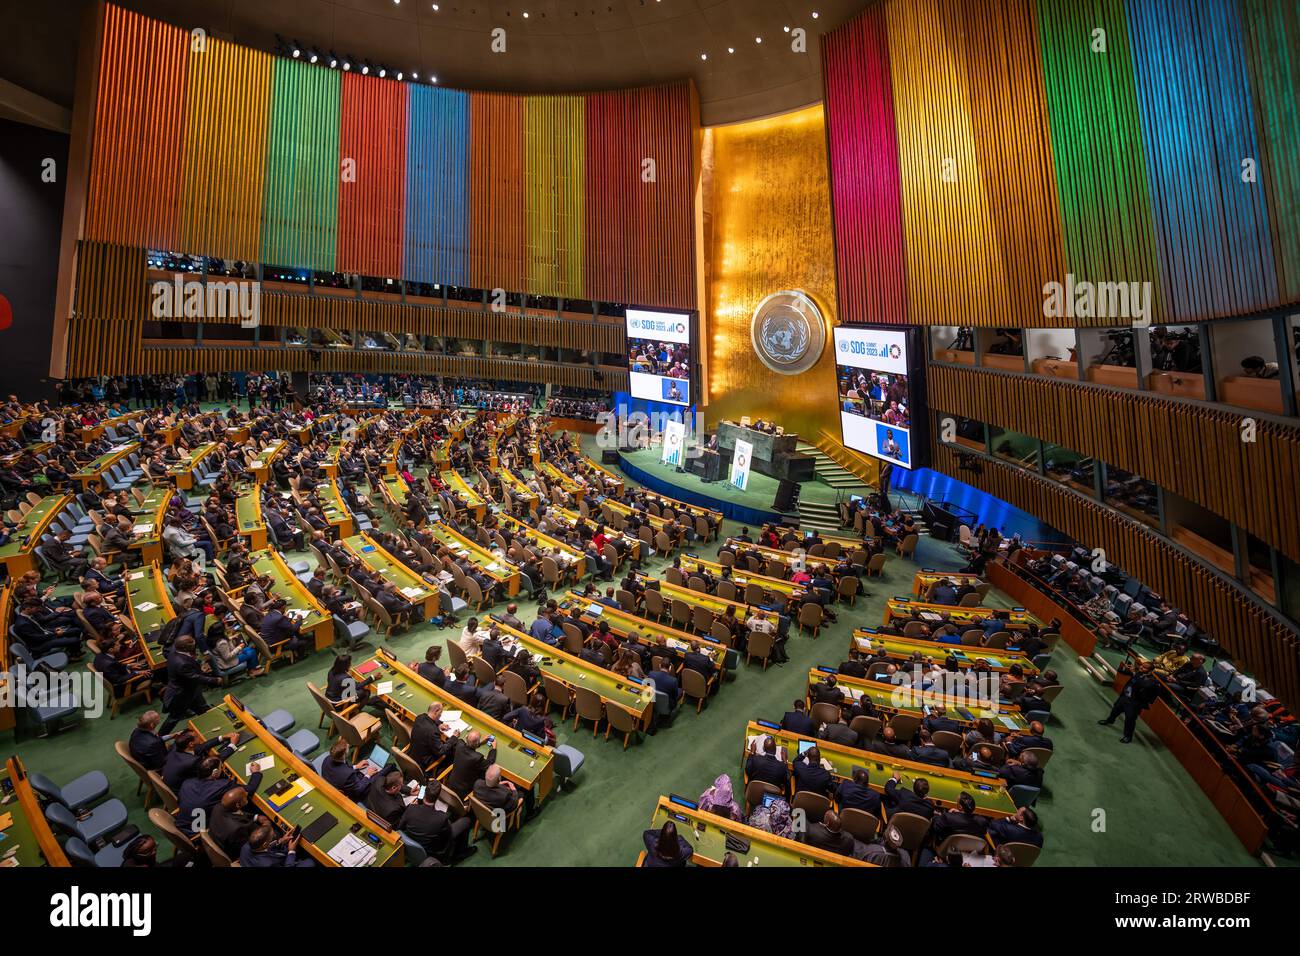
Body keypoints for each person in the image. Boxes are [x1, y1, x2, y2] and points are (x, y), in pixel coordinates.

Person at [400, 781, 474, 862]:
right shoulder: (441, 817)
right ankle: (460, 853)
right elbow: (448, 836)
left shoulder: (411, 809)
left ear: (424, 793)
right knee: (466, 821)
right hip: (433, 850)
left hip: (413, 843)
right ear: (437, 797)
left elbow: (400, 827)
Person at [1098, 660, 1160, 743]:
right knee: (1115, 710)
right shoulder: (1138, 673)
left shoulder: (1152, 680)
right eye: (1142, 665)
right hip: (1125, 697)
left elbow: (1142, 684)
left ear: (1150, 671)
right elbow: (1121, 671)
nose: (1141, 667)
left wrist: (1134, 673)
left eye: (1145, 667)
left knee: (1129, 720)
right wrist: (1125, 667)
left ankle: (1128, 736)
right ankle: (1110, 720)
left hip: (1134, 703)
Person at [445, 730, 495, 797]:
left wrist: (480, 743)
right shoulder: (477, 757)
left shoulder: (459, 744)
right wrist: (493, 748)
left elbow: (467, 746)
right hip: (464, 790)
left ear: (466, 737)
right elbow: (490, 764)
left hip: (450, 783)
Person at [239, 824, 315, 867]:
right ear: (265, 844)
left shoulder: (246, 846)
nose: (274, 835)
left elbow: (265, 848)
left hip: (267, 859)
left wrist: (280, 841)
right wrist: (291, 851)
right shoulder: (268, 864)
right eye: (272, 836)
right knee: (310, 862)